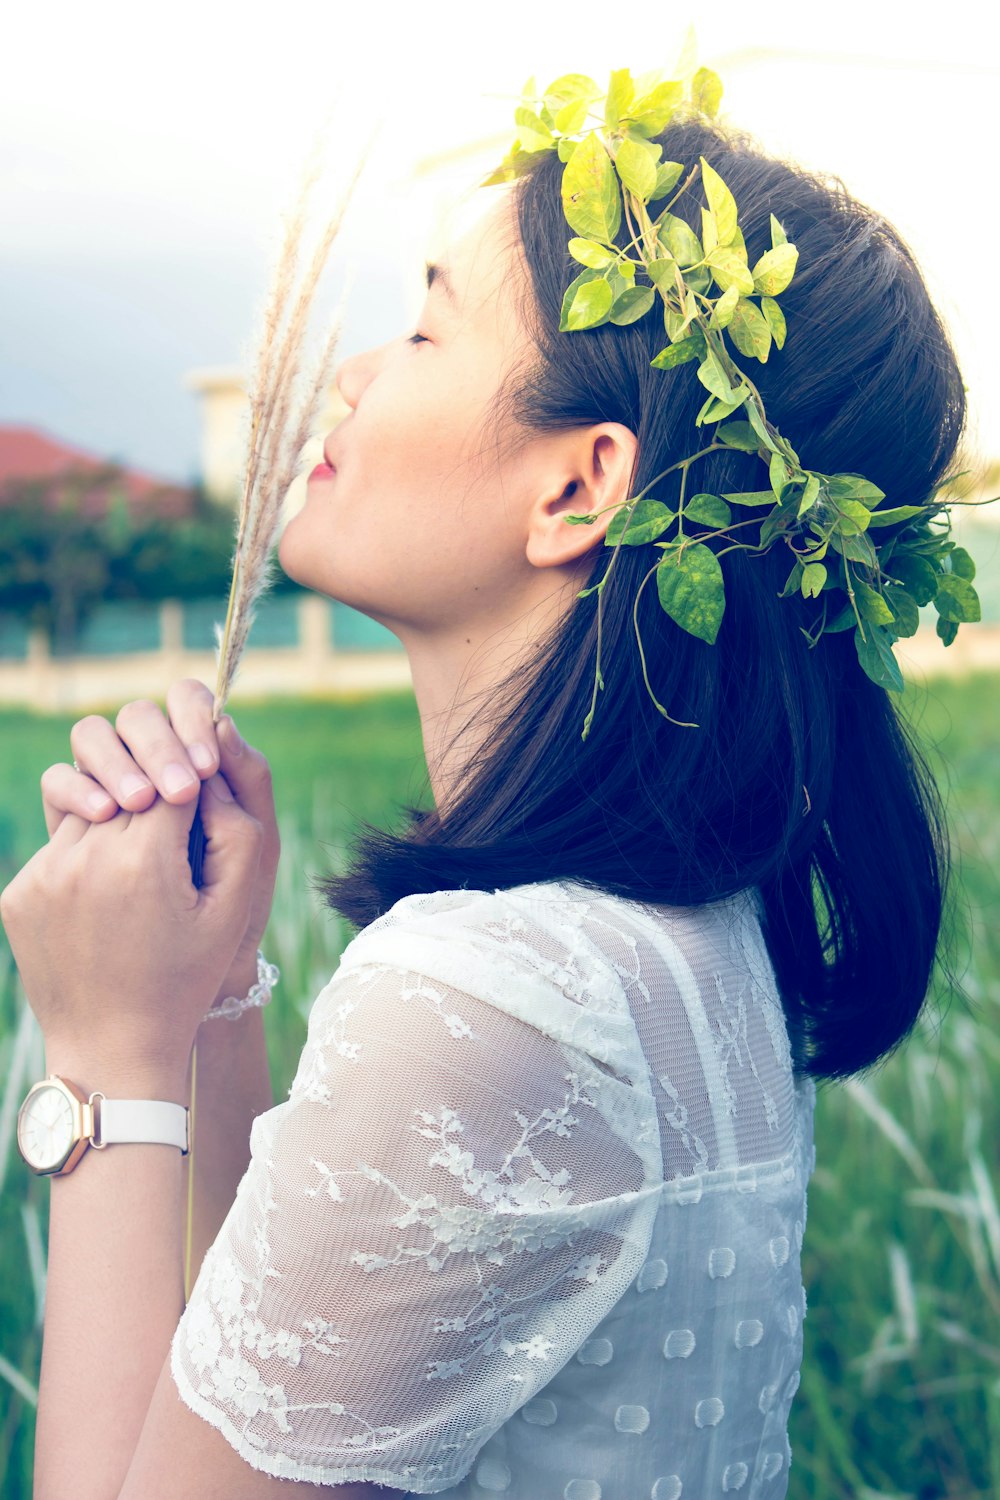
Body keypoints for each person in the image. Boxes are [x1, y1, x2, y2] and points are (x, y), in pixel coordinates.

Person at [7, 106, 967, 1498]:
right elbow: (255, 1399)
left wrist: (102, 1060)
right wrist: (210, 1001)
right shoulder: (683, 946)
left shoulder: (495, 996)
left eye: (423, 329)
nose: (345, 373)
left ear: (582, 485)